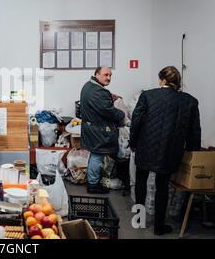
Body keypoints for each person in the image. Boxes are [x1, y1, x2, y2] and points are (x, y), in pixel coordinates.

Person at [130, 66, 201, 235]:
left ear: (162, 79)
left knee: (141, 183)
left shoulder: (147, 95)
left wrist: (133, 142)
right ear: (177, 82)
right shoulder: (190, 101)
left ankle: (139, 221)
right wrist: (193, 152)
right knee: (162, 187)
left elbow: (136, 122)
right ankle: (159, 227)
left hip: (145, 147)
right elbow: (194, 131)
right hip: (170, 150)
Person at [80, 67, 125, 194]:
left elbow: (100, 103)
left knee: (95, 155)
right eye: (105, 75)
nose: (109, 78)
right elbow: (108, 111)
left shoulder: (89, 85)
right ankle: (93, 185)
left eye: (110, 75)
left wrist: (110, 97)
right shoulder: (98, 91)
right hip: (97, 130)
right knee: (97, 155)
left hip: (91, 127)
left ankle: (92, 181)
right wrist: (122, 115)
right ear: (97, 74)